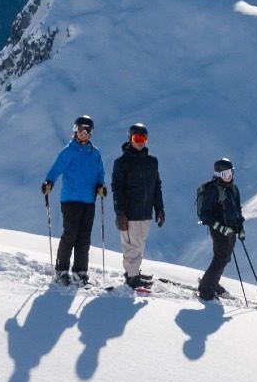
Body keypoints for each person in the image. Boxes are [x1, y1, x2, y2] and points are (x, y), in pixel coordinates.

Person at [40, 115, 106, 285]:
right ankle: (61, 271)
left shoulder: (95, 153)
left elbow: (100, 173)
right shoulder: (68, 151)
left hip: (88, 201)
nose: (85, 133)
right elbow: (56, 168)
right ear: (75, 130)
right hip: (70, 200)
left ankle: (80, 271)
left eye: (88, 130)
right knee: (70, 235)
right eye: (81, 129)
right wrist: (49, 182)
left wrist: (100, 185)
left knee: (84, 238)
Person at [112, 122, 165, 290]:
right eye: (137, 138)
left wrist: (160, 209)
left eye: (144, 138)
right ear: (130, 139)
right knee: (131, 247)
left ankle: (133, 272)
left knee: (139, 245)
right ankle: (132, 278)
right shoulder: (122, 162)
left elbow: (157, 186)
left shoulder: (152, 162)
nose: (140, 141)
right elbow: (117, 188)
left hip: (146, 211)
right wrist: (120, 212)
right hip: (129, 212)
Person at [195, 157, 245, 301]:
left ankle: (213, 283)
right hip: (218, 230)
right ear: (218, 175)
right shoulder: (213, 190)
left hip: (231, 230)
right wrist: (221, 228)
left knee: (225, 258)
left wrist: (240, 227)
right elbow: (205, 215)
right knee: (220, 258)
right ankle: (206, 288)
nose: (229, 176)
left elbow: (237, 210)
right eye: (226, 174)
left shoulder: (233, 189)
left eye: (231, 172)